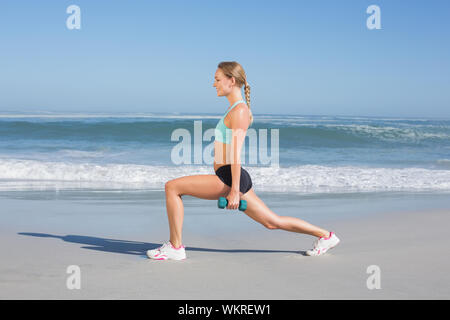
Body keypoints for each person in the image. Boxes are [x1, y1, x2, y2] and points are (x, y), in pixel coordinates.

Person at [147, 61, 340, 260]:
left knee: (172, 187)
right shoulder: (235, 109)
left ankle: (175, 247)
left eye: (217, 79)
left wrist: (234, 190)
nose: (214, 84)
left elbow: (236, 154)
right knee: (272, 222)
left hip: (229, 178)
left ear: (231, 81)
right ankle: (326, 236)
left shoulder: (239, 111)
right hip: (230, 176)